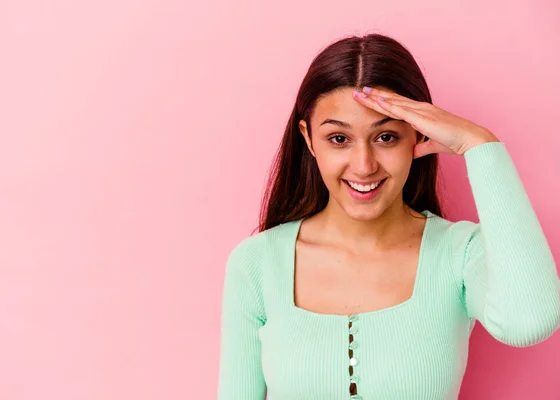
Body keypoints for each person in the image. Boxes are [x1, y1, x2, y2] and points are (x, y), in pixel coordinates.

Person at [216, 34, 560, 400]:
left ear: (417, 134)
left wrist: (479, 145)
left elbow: (530, 322)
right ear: (309, 139)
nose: (364, 166)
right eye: (338, 139)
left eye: (386, 137)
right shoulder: (256, 262)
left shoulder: (459, 253)